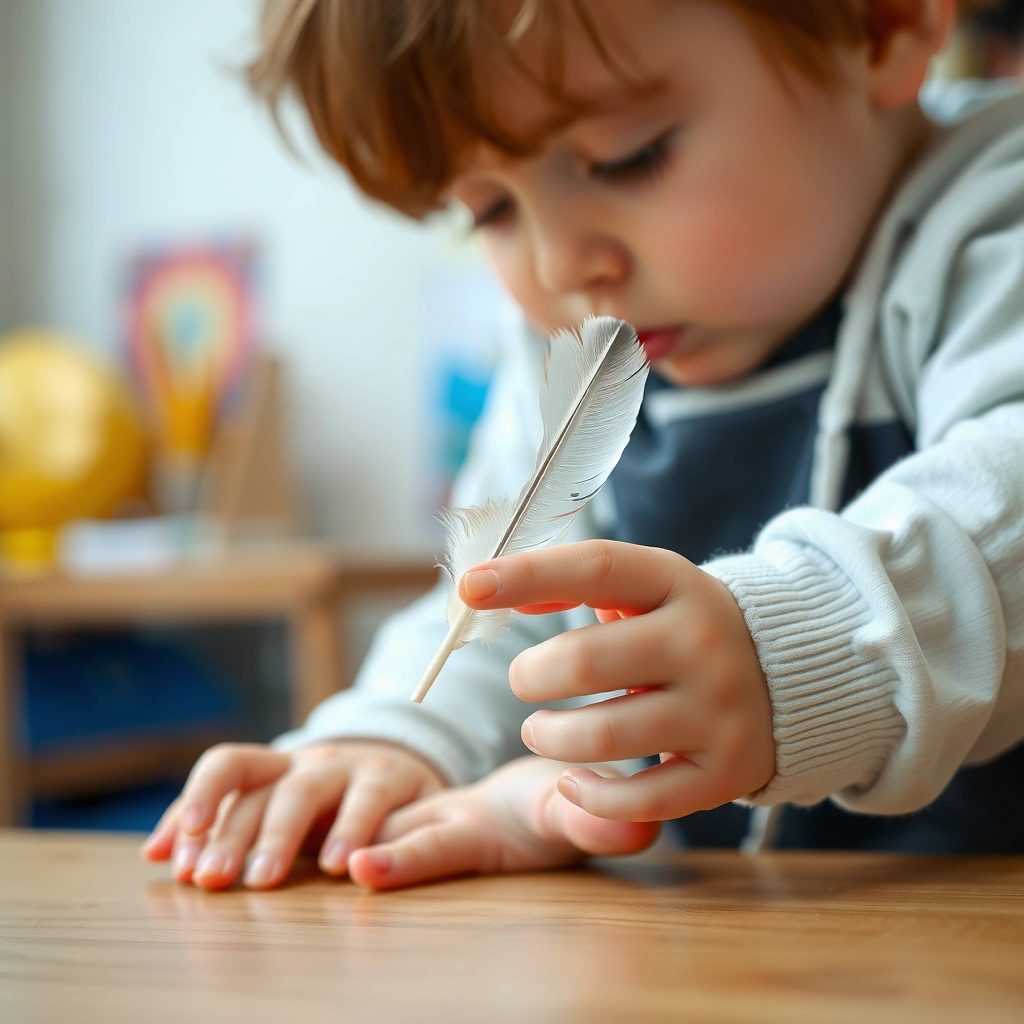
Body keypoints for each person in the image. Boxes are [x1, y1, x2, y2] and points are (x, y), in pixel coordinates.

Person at [142, 0, 1024, 891]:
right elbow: (497, 606)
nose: (559, 267)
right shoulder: (583, 348)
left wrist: (801, 648)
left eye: (627, 156)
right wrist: (395, 736)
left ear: (877, 27)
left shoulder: (999, 211)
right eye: (486, 210)